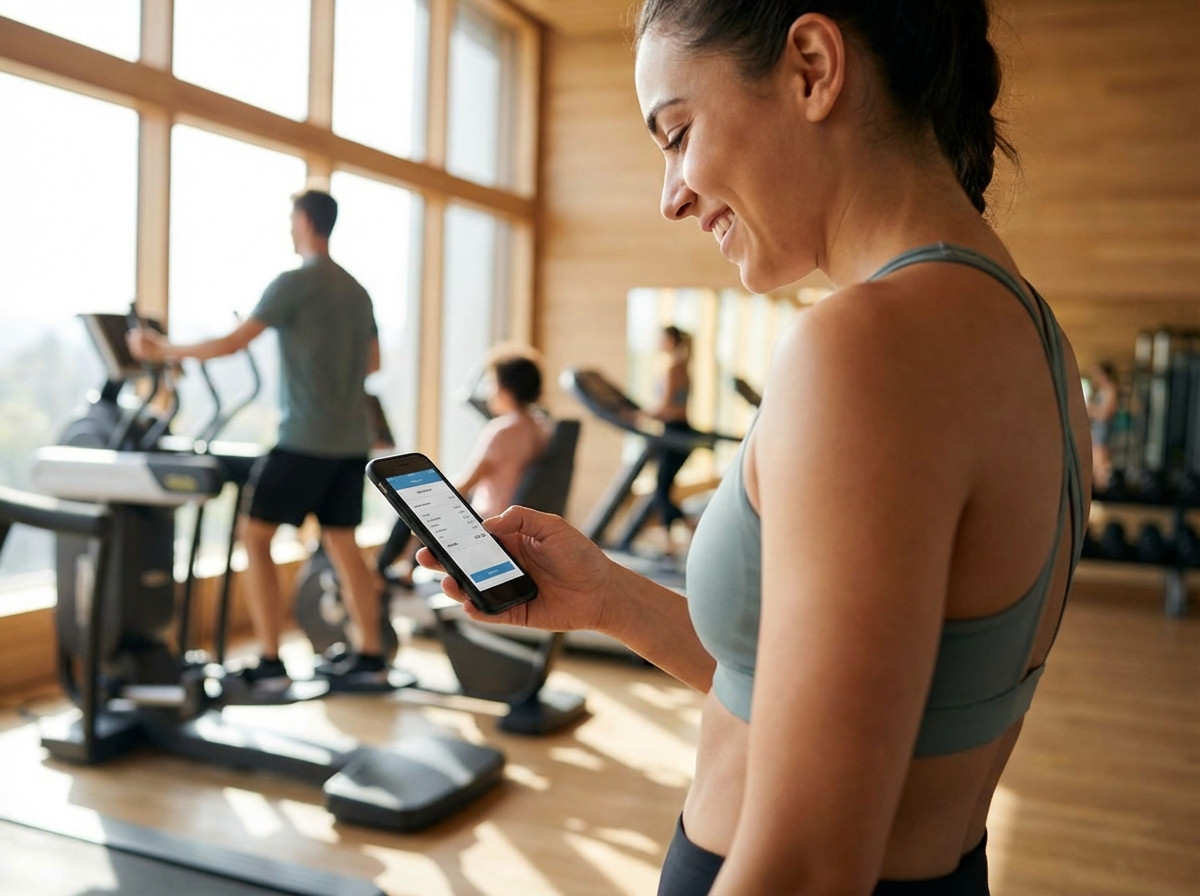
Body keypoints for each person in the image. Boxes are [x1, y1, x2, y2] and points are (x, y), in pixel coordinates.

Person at [419, 2, 1090, 894]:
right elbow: (850, 714)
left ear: (812, 67)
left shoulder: (867, 348)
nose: (671, 196)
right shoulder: (1031, 333)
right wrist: (609, 597)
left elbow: (808, 864)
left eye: (677, 134)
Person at [128, 189, 390, 691]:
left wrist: (161, 349)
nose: (289, 228)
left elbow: (232, 344)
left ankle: (270, 661)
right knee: (343, 543)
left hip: (305, 438)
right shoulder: (358, 291)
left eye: (292, 219)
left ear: (305, 221)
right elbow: (373, 362)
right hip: (350, 440)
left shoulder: (294, 282)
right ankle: (371, 656)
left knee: (255, 535)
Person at [376, 351, 550, 586]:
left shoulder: (502, 431)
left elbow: (465, 485)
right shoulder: (541, 427)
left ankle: (380, 574)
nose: (489, 391)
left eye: (492, 383)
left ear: (505, 387)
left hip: (488, 521)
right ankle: (404, 570)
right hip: (517, 521)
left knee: (413, 503)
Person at [646, 325, 695, 555]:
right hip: (678, 430)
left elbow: (666, 407)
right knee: (663, 487)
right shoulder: (683, 366)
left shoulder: (674, 368)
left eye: (662, 339)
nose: (658, 343)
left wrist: (638, 414)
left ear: (671, 341)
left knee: (661, 490)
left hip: (674, 430)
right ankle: (669, 541)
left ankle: (691, 525)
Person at [1087, 361, 1118, 491]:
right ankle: (1099, 487)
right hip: (1097, 428)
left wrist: (1092, 410)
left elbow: (1107, 412)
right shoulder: (1100, 390)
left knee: (1101, 461)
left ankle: (1103, 488)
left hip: (1103, 428)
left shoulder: (1110, 389)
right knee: (1095, 459)